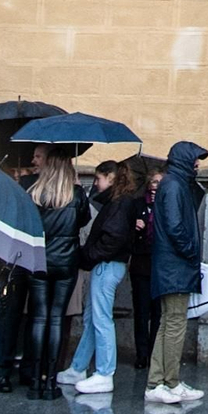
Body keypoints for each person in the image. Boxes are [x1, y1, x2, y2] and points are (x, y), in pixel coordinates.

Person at [61, 160, 137, 393]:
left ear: (110, 178)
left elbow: (112, 239)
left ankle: (105, 373)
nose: (96, 184)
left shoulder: (119, 204)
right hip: (106, 265)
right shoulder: (119, 202)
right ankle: (78, 367)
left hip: (106, 265)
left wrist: (89, 255)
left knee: (101, 319)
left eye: (98, 179)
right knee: (92, 319)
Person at [145, 141, 208, 405]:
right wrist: (191, 251)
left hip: (171, 265)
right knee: (174, 324)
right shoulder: (173, 185)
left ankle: (158, 381)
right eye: (195, 159)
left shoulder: (175, 184)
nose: (198, 164)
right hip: (175, 265)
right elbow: (174, 226)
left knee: (168, 322)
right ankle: (167, 382)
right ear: (184, 160)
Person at [22, 150, 87, 400]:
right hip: (66, 262)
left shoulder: (34, 192)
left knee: (39, 319)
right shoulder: (76, 193)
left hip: (38, 259)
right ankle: (51, 382)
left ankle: (34, 383)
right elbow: (82, 220)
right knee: (57, 319)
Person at [128, 163, 163, 369]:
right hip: (141, 264)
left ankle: (154, 354)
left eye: (160, 182)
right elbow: (127, 234)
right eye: (153, 181)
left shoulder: (166, 205)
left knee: (158, 313)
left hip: (159, 265)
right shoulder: (138, 205)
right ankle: (141, 355)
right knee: (141, 313)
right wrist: (136, 227)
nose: (156, 186)